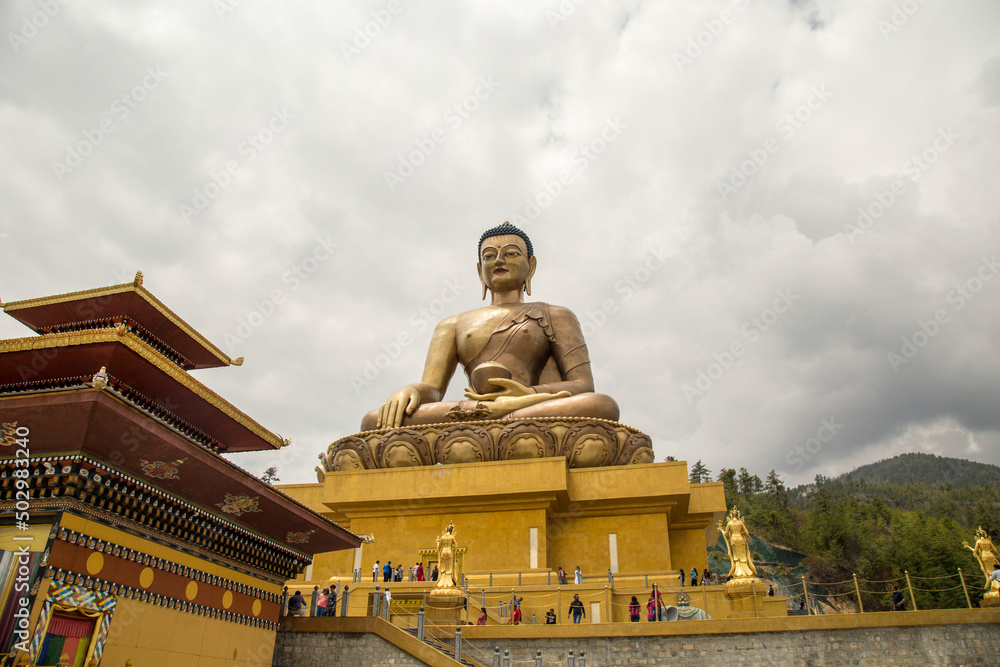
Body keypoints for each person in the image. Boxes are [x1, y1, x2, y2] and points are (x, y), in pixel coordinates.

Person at [361, 222, 620, 432]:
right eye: (489, 256)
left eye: (510, 253)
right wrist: (410, 390)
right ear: (479, 271)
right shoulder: (451, 324)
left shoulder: (556, 314)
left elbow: (583, 386)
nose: (498, 260)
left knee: (602, 405)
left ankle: (497, 423)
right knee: (374, 421)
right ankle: (500, 423)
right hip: (475, 412)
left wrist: (527, 394)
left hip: (532, 407)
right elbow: (433, 389)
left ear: (531, 267)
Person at [718, 508, 758, 579]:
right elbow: (746, 531)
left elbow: (725, 534)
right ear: (737, 515)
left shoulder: (729, 524)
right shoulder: (740, 523)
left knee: (736, 556)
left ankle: (740, 571)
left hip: (734, 539)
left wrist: (721, 530)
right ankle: (745, 571)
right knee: (743, 555)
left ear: (731, 515)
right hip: (740, 539)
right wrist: (745, 535)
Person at [435, 522, 459, 589]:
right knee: (449, 567)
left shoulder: (442, 537)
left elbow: (439, 547)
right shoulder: (451, 537)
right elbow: (456, 546)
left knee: (443, 568)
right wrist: (455, 550)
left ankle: (443, 582)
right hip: (449, 551)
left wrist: (437, 544)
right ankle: (449, 582)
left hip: (443, 552)